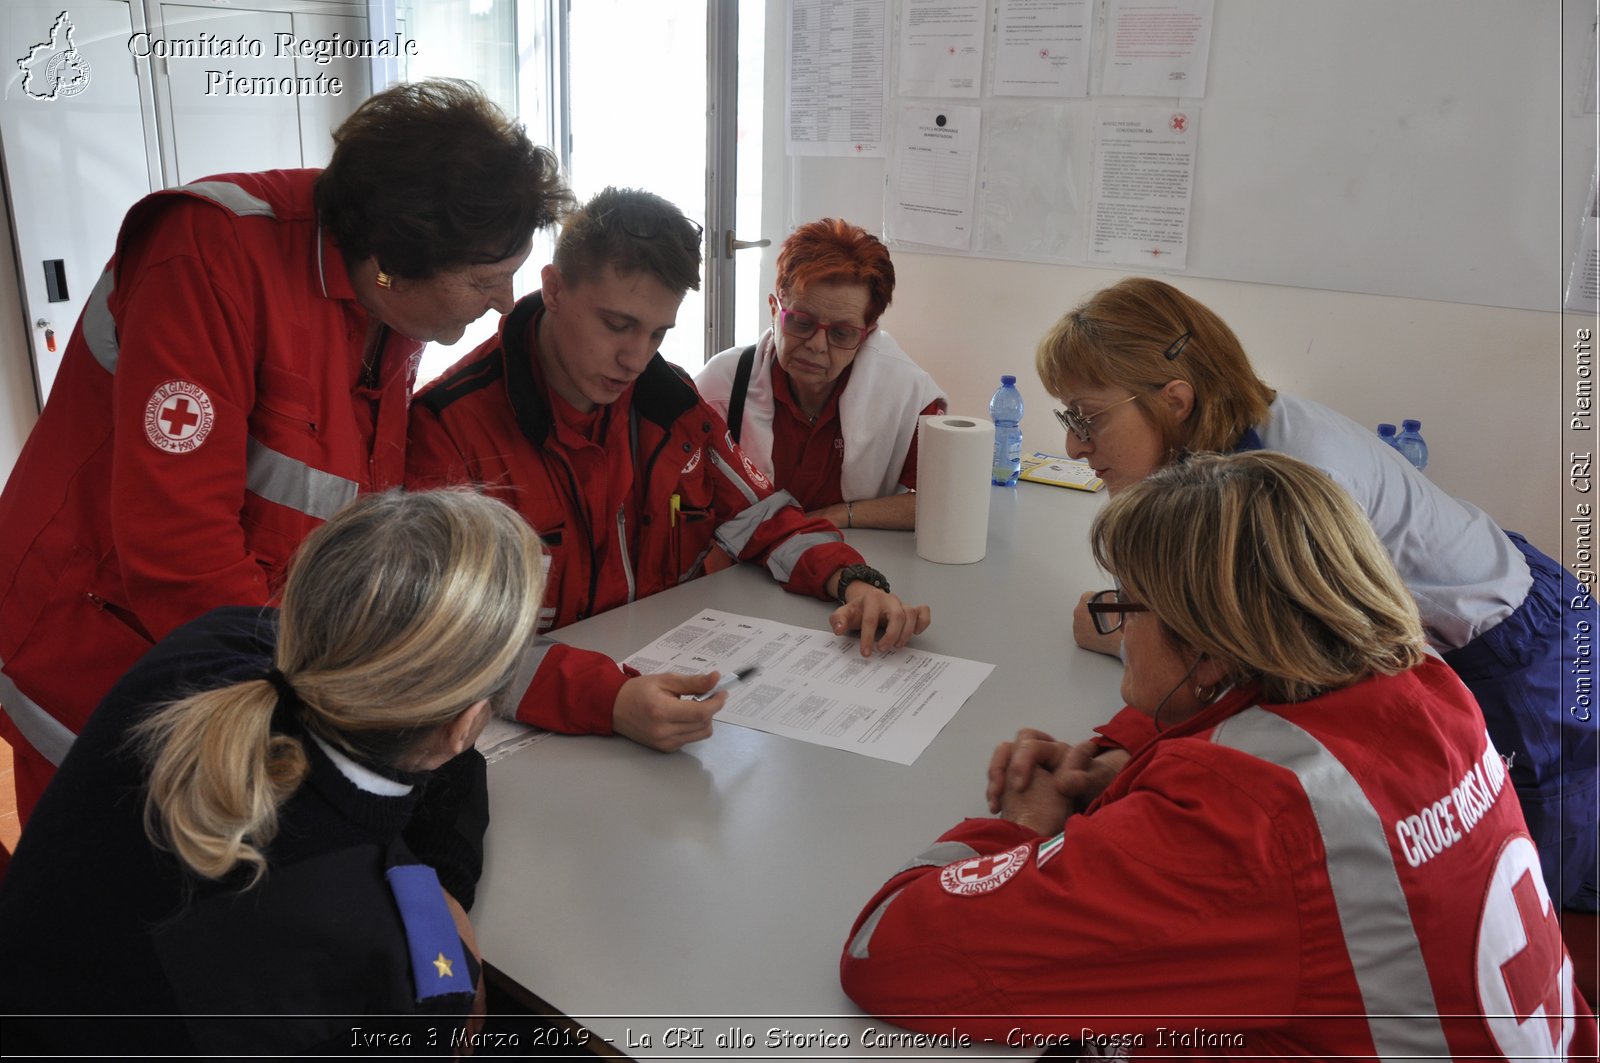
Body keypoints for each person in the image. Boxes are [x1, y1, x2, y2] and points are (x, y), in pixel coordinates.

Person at [841, 452, 1597, 1058]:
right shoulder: (1430, 690)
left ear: (1207, 651)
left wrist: (1026, 822)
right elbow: (1247, 727)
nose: (1117, 624)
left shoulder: (1248, 822)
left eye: (1124, 602)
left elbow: (886, 949)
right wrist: (1117, 755)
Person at [0, 78, 573, 824]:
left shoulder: (388, 303)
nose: (503, 302)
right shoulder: (211, 254)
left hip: (247, 659)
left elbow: (352, 538)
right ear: (393, 260)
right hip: (96, 642)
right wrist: (326, 718)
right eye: (484, 280)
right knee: (101, 893)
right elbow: (181, 553)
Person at [1034, 276, 1596, 914]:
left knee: (1506, 891)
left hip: (1518, 661)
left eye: (1087, 418)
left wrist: (1124, 668)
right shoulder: (1213, 460)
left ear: (1175, 400)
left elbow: (1289, 679)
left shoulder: (1288, 481)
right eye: (1067, 418)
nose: (1074, 446)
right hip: (1453, 630)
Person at [0, 489, 543, 1054]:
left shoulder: (208, 646)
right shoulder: (399, 967)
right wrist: (433, 905)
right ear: (465, 724)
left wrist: (427, 890)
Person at [407, 188, 931, 753]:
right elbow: (449, 645)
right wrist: (608, 700)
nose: (636, 358)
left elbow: (764, 516)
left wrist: (853, 581)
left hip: (665, 707)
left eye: (657, 333)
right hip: (538, 735)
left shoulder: (666, 398)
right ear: (554, 289)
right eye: (617, 324)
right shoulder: (446, 429)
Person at [696, 219, 945, 531]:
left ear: (866, 335)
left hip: (856, 561)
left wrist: (838, 515)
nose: (816, 346)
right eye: (801, 322)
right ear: (775, 309)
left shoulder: (907, 395)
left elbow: (946, 502)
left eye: (841, 333)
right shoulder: (721, 386)